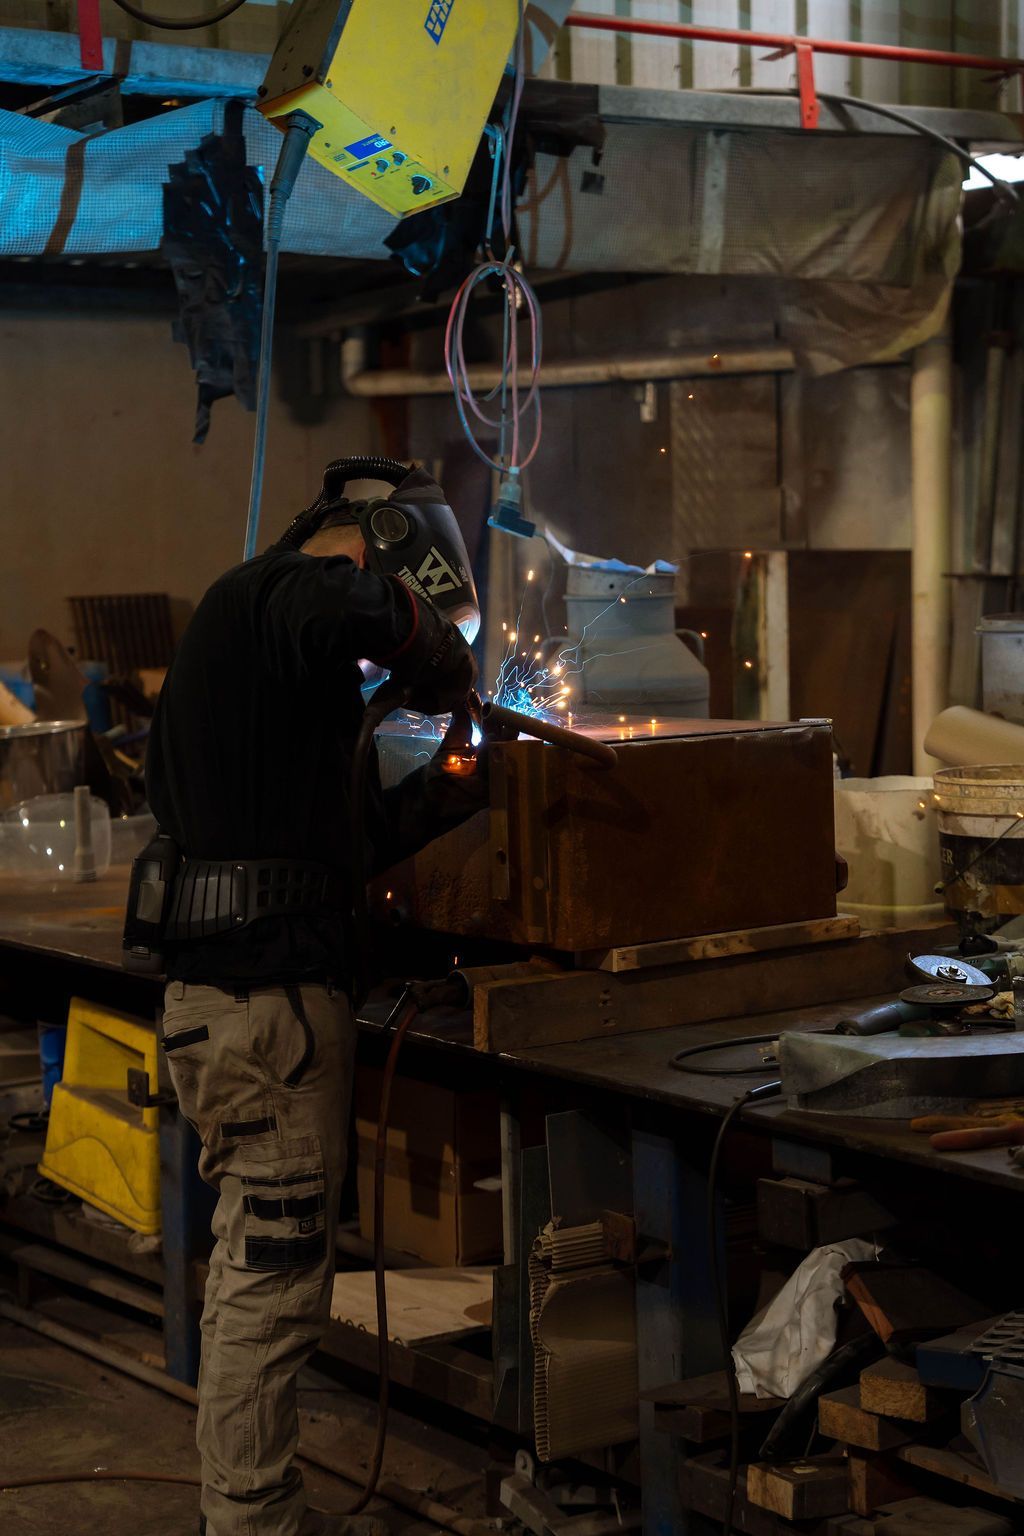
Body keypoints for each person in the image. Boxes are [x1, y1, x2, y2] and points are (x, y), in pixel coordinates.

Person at [145, 477, 485, 1536]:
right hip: (264, 1011)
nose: (383, 661)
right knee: (273, 1284)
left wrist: (446, 788)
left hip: (255, 1004)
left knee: (262, 1267)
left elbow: (338, 844)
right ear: (379, 558)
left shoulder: (273, 676)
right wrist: (436, 646)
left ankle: (253, 1512)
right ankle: (251, 1524)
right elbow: (346, 602)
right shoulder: (275, 596)